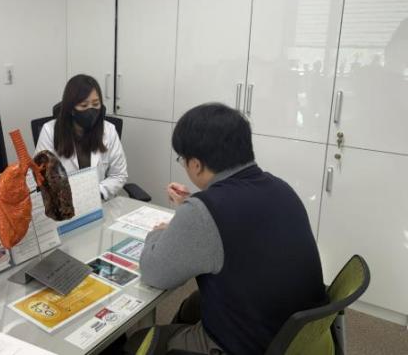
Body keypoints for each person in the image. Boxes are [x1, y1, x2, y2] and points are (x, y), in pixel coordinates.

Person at [138, 103, 326, 355]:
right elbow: (244, 224)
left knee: (137, 342)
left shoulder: (204, 212)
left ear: (196, 165)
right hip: (298, 335)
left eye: (182, 160)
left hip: (250, 345)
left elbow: (154, 272)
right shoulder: (281, 188)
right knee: (193, 305)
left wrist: (159, 231)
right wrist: (191, 207)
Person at [35, 74, 127, 200]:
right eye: (84, 105)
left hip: (100, 201)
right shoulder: (49, 131)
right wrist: (69, 196)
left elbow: (119, 175)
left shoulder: (109, 130)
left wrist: (97, 193)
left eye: (96, 104)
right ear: (71, 109)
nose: (91, 110)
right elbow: (41, 176)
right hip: (63, 203)